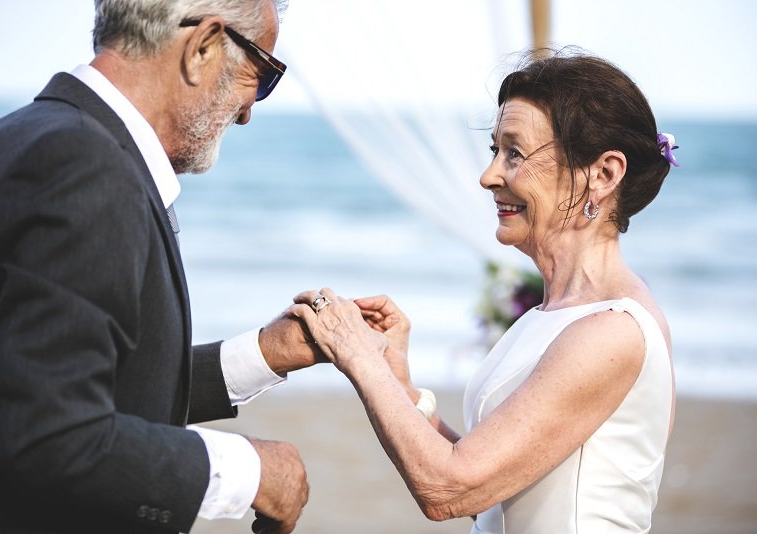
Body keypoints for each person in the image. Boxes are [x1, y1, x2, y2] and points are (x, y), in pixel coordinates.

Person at [0, 1, 323, 533]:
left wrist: (266, 354)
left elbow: (99, 380)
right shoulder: (85, 166)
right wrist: (250, 472)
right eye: (261, 74)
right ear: (202, 48)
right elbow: (50, 435)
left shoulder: (22, 134)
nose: (248, 110)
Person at [291, 51, 678, 533]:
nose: (489, 176)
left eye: (514, 153)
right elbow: (494, 490)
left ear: (603, 175)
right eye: (495, 150)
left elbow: (450, 489)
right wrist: (400, 386)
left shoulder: (612, 332)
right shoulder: (553, 313)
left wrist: (355, 353)